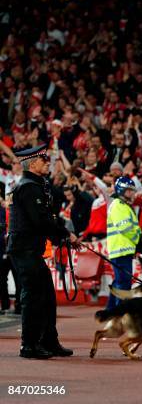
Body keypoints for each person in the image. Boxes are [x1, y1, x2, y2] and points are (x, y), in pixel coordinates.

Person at [7, 144, 79, 359]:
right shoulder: (29, 187)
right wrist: (65, 235)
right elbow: (41, 221)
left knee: (46, 296)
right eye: (43, 160)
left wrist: (62, 236)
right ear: (32, 163)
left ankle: (48, 340)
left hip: (30, 250)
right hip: (24, 250)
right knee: (33, 297)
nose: (47, 162)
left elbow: (44, 221)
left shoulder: (36, 185)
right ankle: (28, 345)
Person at [106, 176, 142, 309]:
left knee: (119, 282)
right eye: (129, 190)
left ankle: (110, 312)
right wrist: (138, 241)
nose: (132, 193)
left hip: (123, 250)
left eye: (132, 190)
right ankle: (120, 315)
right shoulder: (118, 205)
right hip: (121, 250)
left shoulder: (123, 206)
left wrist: (138, 240)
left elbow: (132, 227)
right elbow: (126, 228)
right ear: (121, 191)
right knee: (123, 284)